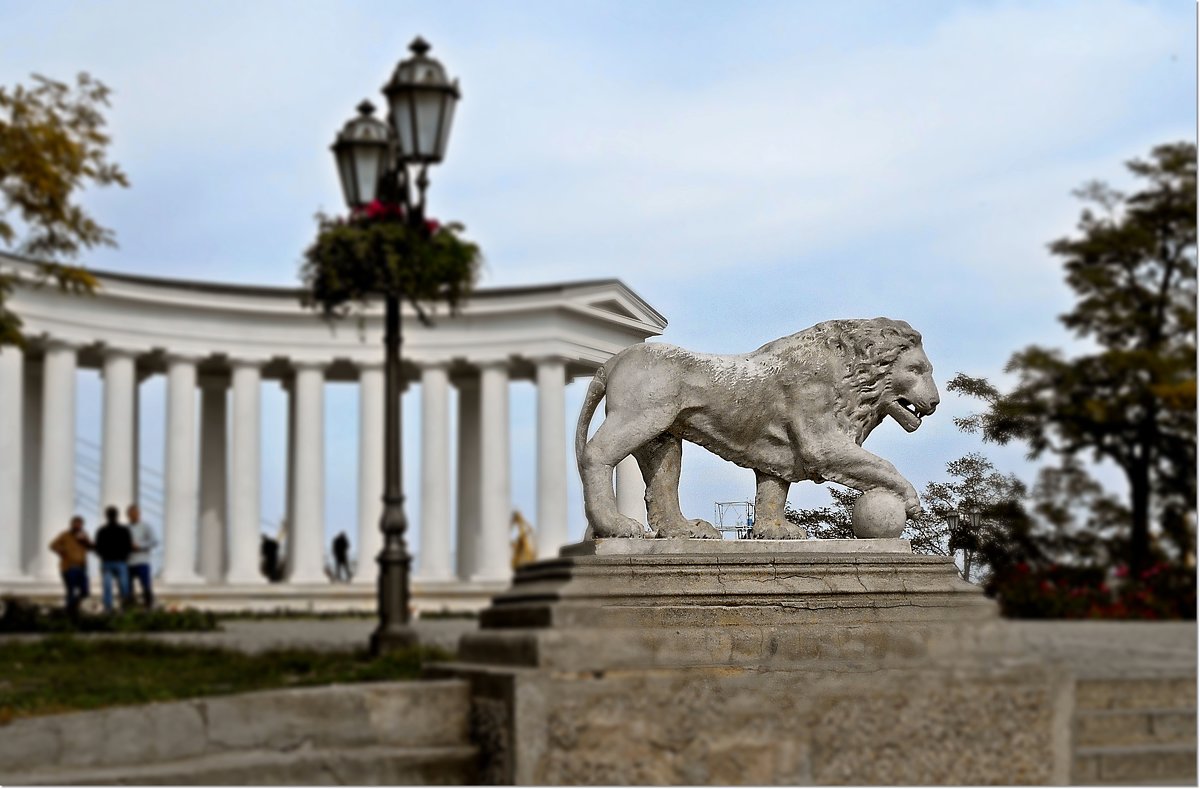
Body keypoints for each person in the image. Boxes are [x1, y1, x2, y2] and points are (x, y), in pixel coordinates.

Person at [49, 516, 93, 617]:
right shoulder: (65, 535)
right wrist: (62, 551)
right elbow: (52, 545)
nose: (78, 526)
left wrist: (85, 540)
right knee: (71, 590)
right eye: (76, 523)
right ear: (71, 524)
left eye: (80, 524)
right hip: (69, 567)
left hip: (82, 567)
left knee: (85, 592)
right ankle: (70, 613)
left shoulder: (84, 535)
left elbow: (91, 548)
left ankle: (76, 608)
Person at [94, 505, 133, 612]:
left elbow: (97, 547)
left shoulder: (102, 530)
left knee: (111, 587)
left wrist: (102, 555)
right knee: (122, 587)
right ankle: (121, 608)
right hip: (116, 562)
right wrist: (125, 556)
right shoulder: (123, 530)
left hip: (112, 562)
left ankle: (111, 609)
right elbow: (128, 545)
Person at [125, 504, 157, 609]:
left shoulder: (146, 526)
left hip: (142, 561)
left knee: (146, 586)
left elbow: (154, 541)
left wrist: (140, 546)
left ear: (139, 514)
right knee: (128, 588)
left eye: (135, 513)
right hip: (128, 562)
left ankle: (149, 607)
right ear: (128, 515)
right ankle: (130, 609)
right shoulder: (125, 528)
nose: (133, 515)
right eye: (131, 514)